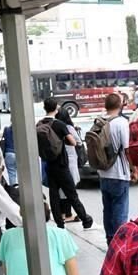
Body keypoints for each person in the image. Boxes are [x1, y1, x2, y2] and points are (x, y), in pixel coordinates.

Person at [38, 98, 93, 229]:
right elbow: (73, 142)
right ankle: (85, 218)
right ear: (56, 109)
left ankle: (59, 222)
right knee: (71, 193)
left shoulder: (39, 124)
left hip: (49, 164)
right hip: (62, 164)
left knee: (54, 194)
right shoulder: (59, 125)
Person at [97, 93, 130, 244]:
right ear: (120, 105)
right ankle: (120, 241)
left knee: (107, 209)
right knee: (120, 210)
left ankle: (110, 239)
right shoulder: (121, 122)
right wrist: (134, 170)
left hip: (103, 172)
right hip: (119, 174)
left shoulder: (99, 121)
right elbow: (126, 149)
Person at [55, 108, 83, 222]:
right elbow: (79, 142)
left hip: (58, 160)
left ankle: (62, 213)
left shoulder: (55, 127)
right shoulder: (69, 128)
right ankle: (68, 214)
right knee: (70, 188)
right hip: (70, 160)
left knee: (61, 188)